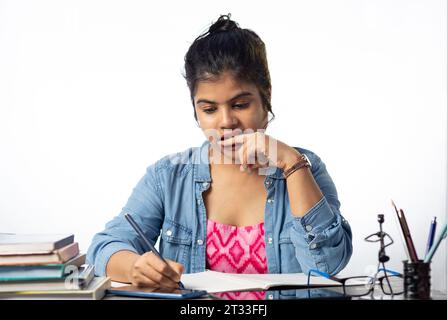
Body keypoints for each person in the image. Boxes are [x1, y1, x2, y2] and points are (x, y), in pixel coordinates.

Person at [86, 14, 352, 292]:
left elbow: (326, 267)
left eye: (240, 104)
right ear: (195, 109)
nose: (226, 121)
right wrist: (134, 266)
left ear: (266, 97)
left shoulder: (303, 168)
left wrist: (292, 163)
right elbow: (105, 246)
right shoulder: (168, 176)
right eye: (209, 109)